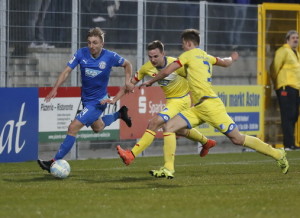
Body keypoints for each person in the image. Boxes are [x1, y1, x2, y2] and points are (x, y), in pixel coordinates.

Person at [140, 29, 289, 178]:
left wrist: (150, 81)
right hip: (198, 107)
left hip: (211, 106)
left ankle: (277, 154)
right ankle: (168, 168)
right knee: (169, 126)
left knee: (237, 139)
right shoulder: (206, 56)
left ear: (188, 43)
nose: (182, 47)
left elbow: (166, 72)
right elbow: (225, 62)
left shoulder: (187, 55)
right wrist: (232, 57)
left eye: (183, 44)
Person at [102, 40, 216, 173]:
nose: (153, 60)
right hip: (171, 101)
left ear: (163, 54)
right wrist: (115, 99)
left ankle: (131, 155)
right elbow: (130, 84)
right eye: (150, 57)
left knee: (154, 123)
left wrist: (200, 95)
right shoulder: (146, 68)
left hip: (182, 100)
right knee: (179, 130)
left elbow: (196, 77)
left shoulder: (176, 64)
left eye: (156, 56)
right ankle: (206, 142)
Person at [37, 27, 134, 172]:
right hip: (86, 100)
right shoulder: (81, 53)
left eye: (95, 43)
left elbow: (128, 64)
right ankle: (119, 114)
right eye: (89, 42)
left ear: (102, 43)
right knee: (98, 127)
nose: (91, 46)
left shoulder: (110, 56)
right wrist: (55, 87)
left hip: (99, 101)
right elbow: (67, 71)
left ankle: (53, 161)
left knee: (72, 127)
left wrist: (127, 81)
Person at [270, 30, 300, 150]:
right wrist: (277, 83)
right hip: (286, 87)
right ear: (287, 39)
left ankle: (291, 143)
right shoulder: (283, 51)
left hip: (295, 88)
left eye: (297, 37)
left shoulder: (296, 52)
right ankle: (288, 144)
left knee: (294, 115)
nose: (296, 39)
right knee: (287, 115)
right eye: (293, 37)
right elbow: (274, 67)